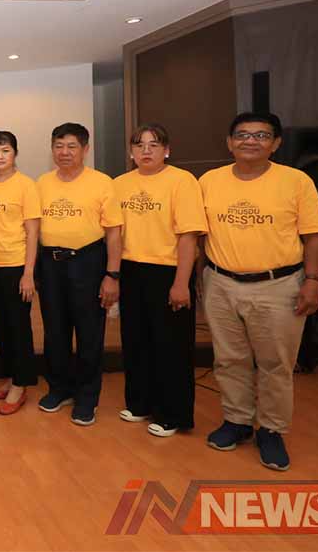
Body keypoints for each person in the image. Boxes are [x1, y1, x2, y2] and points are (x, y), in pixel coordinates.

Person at [200, 112, 318, 470]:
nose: (250, 141)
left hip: (279, 285)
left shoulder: (296, 181)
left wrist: (313, 280)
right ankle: (237, 421)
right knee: (229, 359)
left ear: (275, 143)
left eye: (261, 135)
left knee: (275, 363)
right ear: (229, 142)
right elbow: (196, 234)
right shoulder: (209, 181)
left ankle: (271, 430)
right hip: (220, 282)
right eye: (242, 135)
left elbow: (314, 236)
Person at [113, 124, 207, 438]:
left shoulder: (182, 181)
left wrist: (181, 283)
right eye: (139, 145)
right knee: (135, 341)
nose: (146, 150)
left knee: (171, 346)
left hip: (167, 271)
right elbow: (114, 234)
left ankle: (173, 414)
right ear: (131, 151)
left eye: (154, 145)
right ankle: (140, 403)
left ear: (166, 150)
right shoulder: (120, 184)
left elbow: (189, 236)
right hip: (131, 269)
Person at [36, 122, 123, 426]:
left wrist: (112, 274)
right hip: (50, 264)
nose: (64, 152)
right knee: (54, 331)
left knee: (89, 333)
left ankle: (87, 398)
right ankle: (59, 389)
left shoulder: (101, 183)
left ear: (85, 149)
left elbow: (114, 233)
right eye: (59, 146)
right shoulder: (42, 183)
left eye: (71, 146)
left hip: (88, 262)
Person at [0, 131, 41, 415]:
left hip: (16, 266)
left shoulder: (26, 185)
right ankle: (12, 376)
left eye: (5, 150)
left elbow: (33, 232)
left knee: (18, 328)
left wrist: (28, 273)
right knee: (0, 327)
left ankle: (21, 384)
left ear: (15, 153)